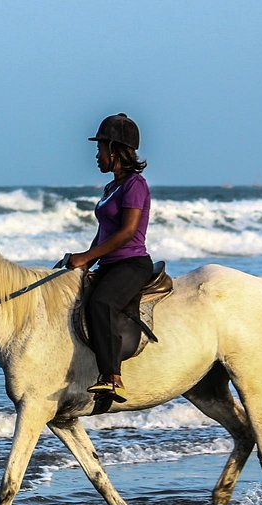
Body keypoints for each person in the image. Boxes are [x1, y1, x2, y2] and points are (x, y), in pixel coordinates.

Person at [67, 113, 152, 403]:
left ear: (114, 150)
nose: (96, 156)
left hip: (131, 264)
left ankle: (112, 378)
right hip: (108, 263)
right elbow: (104, 232)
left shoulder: (135, 185)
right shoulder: (111, 187)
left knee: (102, 302)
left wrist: (88, 256)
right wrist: (84, 261)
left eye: (100, 149)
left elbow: (127, 232)